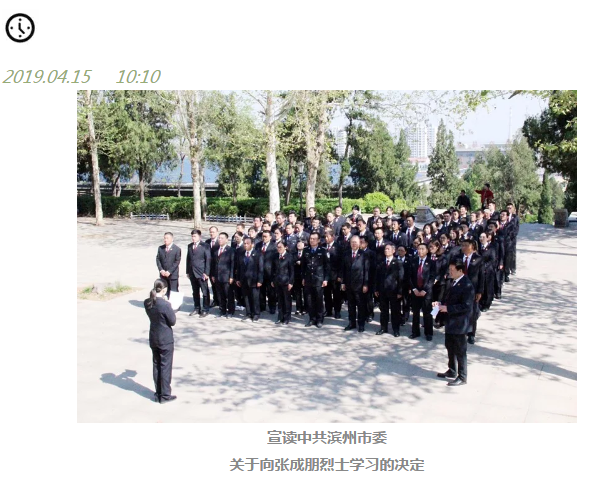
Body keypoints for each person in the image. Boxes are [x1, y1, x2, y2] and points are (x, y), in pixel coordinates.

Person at [435, 259, 474, 386]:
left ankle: (462, 376)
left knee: (460, 350)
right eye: (449, 269)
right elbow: (448, 299)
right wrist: (440, 304)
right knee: (450, 346)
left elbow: (466, 306)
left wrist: (448, 308)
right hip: (450, 321)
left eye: (452, 270)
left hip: (460, 323)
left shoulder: (467, 285)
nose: (450, 272)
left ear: (460, 271)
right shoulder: (453, 282)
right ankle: (452, 370)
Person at [144, 278, 177, 403]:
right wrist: (171, 307)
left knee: (156, 365)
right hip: (165, 339)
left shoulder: (147, 302)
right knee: (165, 366)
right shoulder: (165, 305)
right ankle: (165, 395)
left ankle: (158, 392)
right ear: (164, 290)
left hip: (154, 336)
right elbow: (172, 321)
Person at [341, 236, 370, 333]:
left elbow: (366, 270)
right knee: (351, 305)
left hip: (360, 284)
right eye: (352, 242)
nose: (354, 244)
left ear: (359, 243)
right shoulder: (346, 254)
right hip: (349, 284)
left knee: (361, 305)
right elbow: (343, 269)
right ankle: (351, 323)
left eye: (356, 242)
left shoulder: (364, 254)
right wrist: (343, 282)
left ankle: (361, 324)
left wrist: (366, 284)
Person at [375, 244, 404, 337]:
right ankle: (383, 327)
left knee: (395, 311)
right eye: (385, 249)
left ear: (393, 251)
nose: (386, 250)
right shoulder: (381, 262)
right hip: (383, 290)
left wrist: (400, 291)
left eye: (388, 249)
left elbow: (401, 278)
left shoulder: (398, 262)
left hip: (394, 290)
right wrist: (376, 289)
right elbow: (377, 277)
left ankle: (396, 329)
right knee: (383, 310)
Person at [302, 232, 330, 328]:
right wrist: (303, 277)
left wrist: (326, 279)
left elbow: (327, 266)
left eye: (314, 239)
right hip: (308, 279)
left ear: (318, 240)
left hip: (319, 279)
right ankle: (312, 318)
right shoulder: (306, 250)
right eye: (311, 238)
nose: (312, 240)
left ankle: (319, 319)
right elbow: (303, 266)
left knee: (318, 300)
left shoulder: (323, 251)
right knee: (309, 300)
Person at [409, 243, 436, 340]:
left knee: (427, 313)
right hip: (415, 291)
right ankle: (415, 332)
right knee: (415, 313)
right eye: (419, 249)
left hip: (426, 292)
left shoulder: (431, 262)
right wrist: (414, 289)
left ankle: (428, 333)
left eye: (422, 249)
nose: (420, 251)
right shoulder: (413, 261)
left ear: (427, 251)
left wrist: (425, 290)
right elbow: (409, 276)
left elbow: (432, 278)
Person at [460, 239, 484, 344]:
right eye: (462, 245)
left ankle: (471, 334)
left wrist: (480, 291)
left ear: (472, 247)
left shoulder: (478, 259)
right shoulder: (458, 258)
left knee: (472, 313)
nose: (464, 247)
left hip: (472, 289)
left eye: (466, 245)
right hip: (459, 288)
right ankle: (461, 331)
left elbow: (482, 276)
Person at [236, 236, 263, 322]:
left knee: (255, 298)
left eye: (247, 243)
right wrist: (238, 279)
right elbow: (239, 268)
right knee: (246, 298)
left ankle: (256, 314)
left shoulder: (258, 254)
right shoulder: (241, 254)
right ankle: (248, 313)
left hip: (254, 280)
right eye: (244, 243)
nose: (245, 245)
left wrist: (260, 280)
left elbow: (261, 268)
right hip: (244, 280)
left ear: (252, 244)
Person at [186, 229, 211, 317]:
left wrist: (206, 272)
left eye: (195, 236)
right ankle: (197, 308)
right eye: (192, 236)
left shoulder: (205, 246)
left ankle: (205, 309)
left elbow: (208, 259)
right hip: (192, 272)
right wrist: (187, 271)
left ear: (199, 237)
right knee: (195, 291)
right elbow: (188, 259)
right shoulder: (190, 246)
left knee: (204, 292)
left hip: (201, 272)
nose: (193, 238)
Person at [211, 232, 235, 318]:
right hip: (217, 276)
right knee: (220, 295)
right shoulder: (216, 249)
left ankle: (230, 311)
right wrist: (213, 275)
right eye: (219, 238)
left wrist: (231, 276)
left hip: (226, 276)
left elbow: (232, 264)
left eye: (222, 238)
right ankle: (222, 310)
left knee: (229, 295)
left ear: (226, 240)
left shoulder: (230, 250)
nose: (220, 240)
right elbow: (213, 263)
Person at [272, 240, 294, 325]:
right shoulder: (275, 256)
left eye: (280, 247)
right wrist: (272, 280)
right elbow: (273, 269)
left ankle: (287, 317)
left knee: (287, 300)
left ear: (285, 247)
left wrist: (291, 282)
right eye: (278, 247)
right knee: (280, 300)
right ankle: (280, 317)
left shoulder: (289, 256)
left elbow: (291, 271)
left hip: (286, 281)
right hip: (277, 281)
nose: (279, 249)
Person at [256, 230, 277, 314]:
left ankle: (272, 307)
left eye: (266, 236)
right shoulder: (258, 245)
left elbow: (275, 261)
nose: (264, 238)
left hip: (270, 272)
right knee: (261, 290)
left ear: (270, 237)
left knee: (271, 291)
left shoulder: (274, 247)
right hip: (260, 271)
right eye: (263, 236)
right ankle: (262, 306)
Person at [323, 230, 342, 319]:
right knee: (327, 294)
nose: (326, 239)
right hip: (325, 275)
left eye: (328, 237)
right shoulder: (323, 246)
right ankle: (328, 310)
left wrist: (340, 275)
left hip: (335, 275)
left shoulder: (338, 247)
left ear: (333, 237)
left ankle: (337, 311)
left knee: (336, 294)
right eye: (325, 237)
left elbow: (341, 263)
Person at [156, 232, 181, 299]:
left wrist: (169, 271)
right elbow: (158, 259)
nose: (165, 240)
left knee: (174, 292)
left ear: (172, 239)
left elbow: (177, 261)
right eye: (164, 238)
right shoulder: (161, 248)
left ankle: (174, 304)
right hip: (163, 274)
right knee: (164, 291)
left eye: (167, 238)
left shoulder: (177, 249)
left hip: (173, 275)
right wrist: (161, 270)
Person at [478, 231, 497, 312]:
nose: (481, 239)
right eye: (480, 237)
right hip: (479, 271)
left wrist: (484, 267)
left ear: (487, 238)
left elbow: (492, 260)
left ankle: (487, 303)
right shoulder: (478, 248)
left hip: (488, 271)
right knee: (481, 287)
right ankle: (480, 302)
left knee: (487, 287)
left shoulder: (491, 248)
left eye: (483, 237)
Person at [206, 226, 220, 307]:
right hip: (210, 267)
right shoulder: (207, 242)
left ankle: (221, 300)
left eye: (213, 232)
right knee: (213, 285)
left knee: (219, 285)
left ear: (217, 232)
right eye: (210, 232)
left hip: (218, 267)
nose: (212, 233)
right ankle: (215, 300)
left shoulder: (220, 241)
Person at [293, 240, 306, 315]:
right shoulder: (294, 254)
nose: (299, 245)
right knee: (297, 293)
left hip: (304, 276)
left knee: (305, 293)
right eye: (298, 243)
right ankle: (298, 308)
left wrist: (301, 263)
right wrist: (296, 262)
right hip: (296, 276)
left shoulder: (306, 253)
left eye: (301, 243)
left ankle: (305, 308)